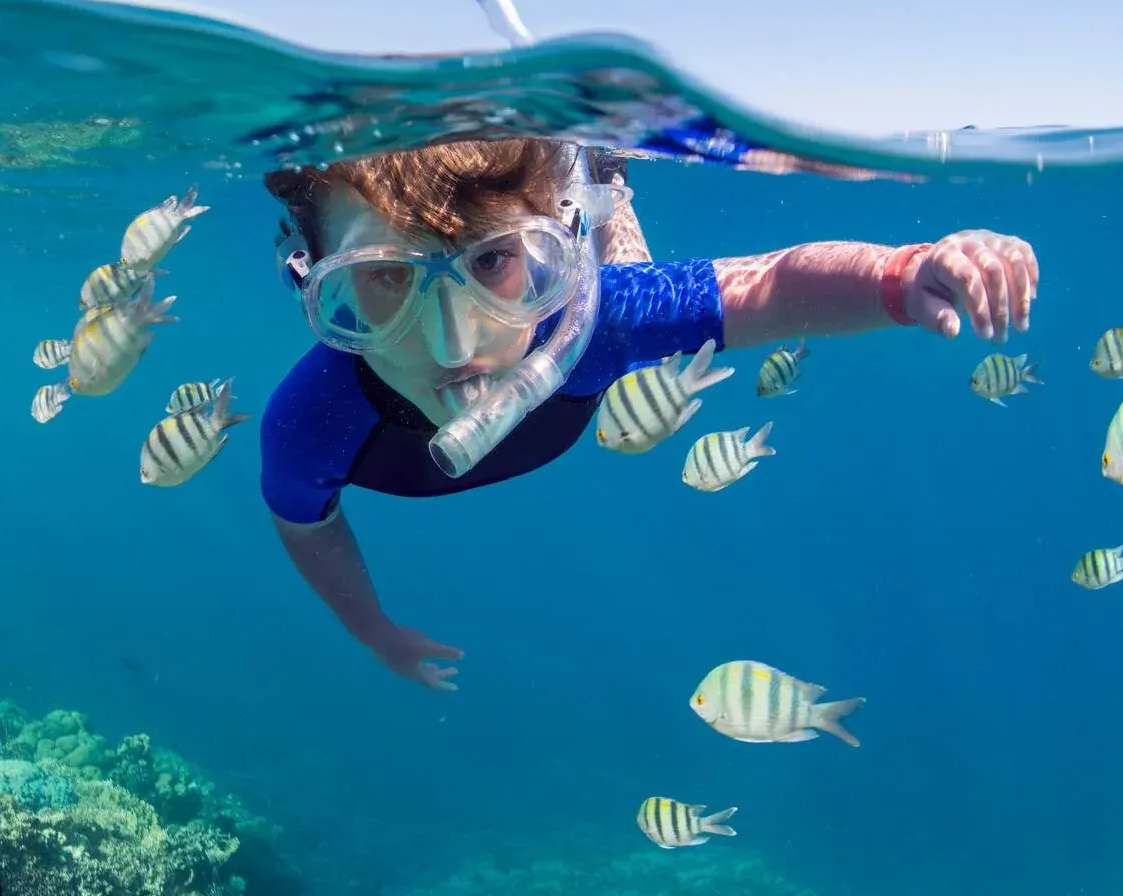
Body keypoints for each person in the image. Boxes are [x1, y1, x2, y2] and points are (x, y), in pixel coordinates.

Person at [260, 137, 1037, 690]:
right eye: (386, 276)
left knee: (629, 274)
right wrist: (373, 631)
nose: (452, 340)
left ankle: (602, 184)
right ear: (311, 282)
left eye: (494, 259)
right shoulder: (311, 422)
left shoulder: (595, 321)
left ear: (544, 247)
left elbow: (771, 286)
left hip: (592, 281)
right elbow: (308, 524)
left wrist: (906, 270)